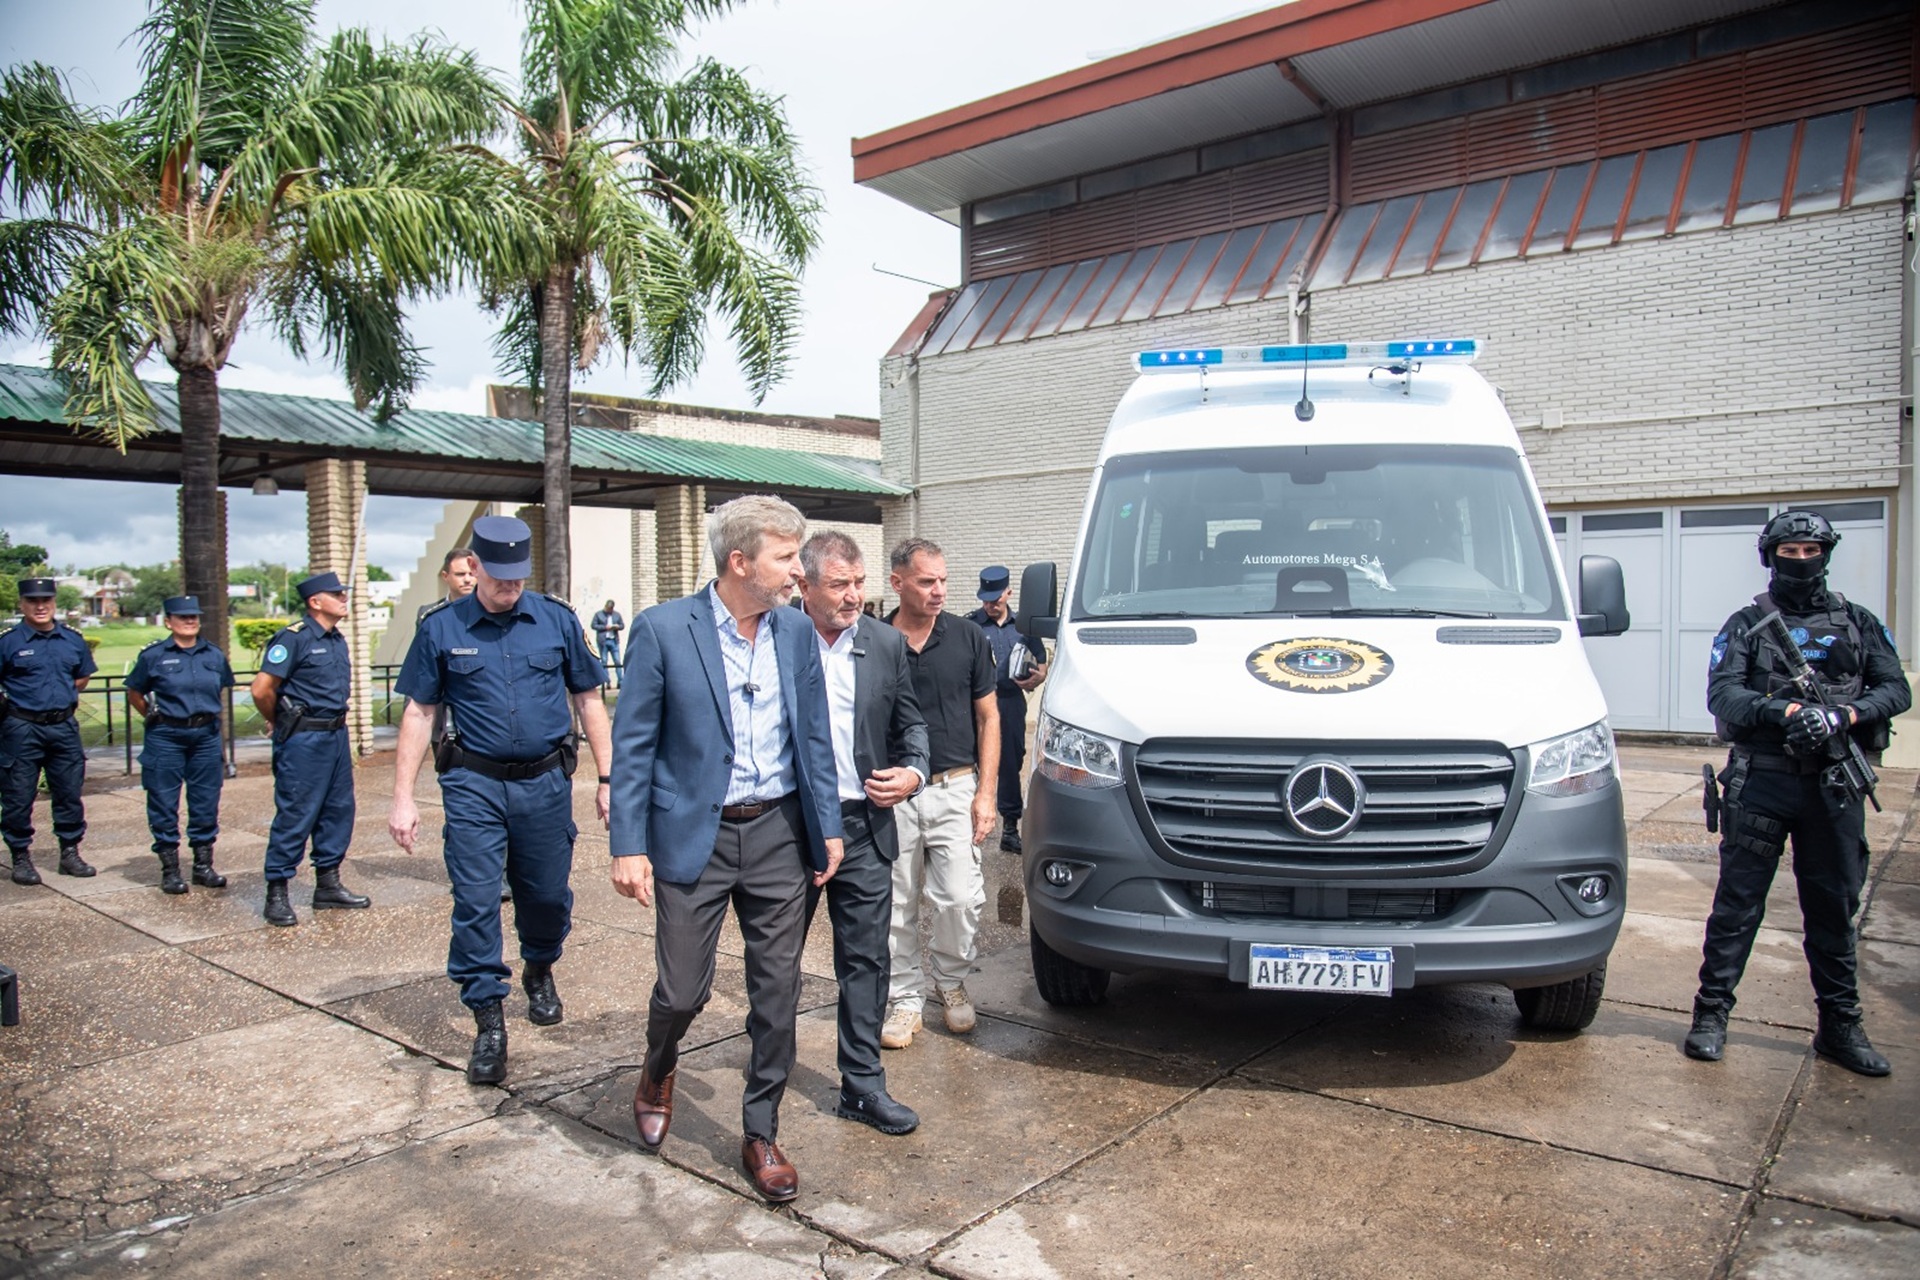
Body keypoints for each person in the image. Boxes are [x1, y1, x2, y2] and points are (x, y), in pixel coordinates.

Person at [609, 494, 844, 1204]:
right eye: (786, 557)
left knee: (778, 993)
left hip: (778, 832)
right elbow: (633, 746)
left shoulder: (796, 632)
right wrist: (628, 845)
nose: (799, 571)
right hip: (694, 836)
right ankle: (658, 1067)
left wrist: (828, 824)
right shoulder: (661, 630)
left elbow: (814, 736)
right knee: (683, 990)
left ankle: (760, 1130)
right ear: (740, 562)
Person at [390, 517, 613, 1085]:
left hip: (544, 783)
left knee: (546, 896)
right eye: (499, 578)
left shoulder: (556, 619)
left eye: (519, 577)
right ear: (474, 567)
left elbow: (588, 699)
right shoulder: (441, 627)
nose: (510, 587)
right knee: (475, 899)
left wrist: (609, 779)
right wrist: (402, 798)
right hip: (474, 784)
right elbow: (418, 711)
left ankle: (540, 966)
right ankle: (488, 1017)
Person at [1688, 510, 1910, 1076]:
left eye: (1812, 550)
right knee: (1737, 906)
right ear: (1771, 556)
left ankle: (1840, 1026)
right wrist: (1784, 711)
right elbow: (1723, 695)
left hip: (1833, 786)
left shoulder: (1857, 622)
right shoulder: (1746, 624)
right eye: (1790, 551)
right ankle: (1711, 1015)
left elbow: (1895, 689)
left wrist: (1843, 715)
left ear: (1827, 554)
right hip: (1762, 782)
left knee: (1833, 910)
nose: (1802, 560)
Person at [794, 530, 928, 1135]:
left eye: (859, 583)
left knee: (867, 961)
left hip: (865, 825)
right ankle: (768, 1061)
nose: (853, 596)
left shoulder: (884, 642)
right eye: (839, 585)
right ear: (804, 584)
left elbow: (911, 725)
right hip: (791, 827)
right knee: (777, 958)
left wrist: (913, 772)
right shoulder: (776, 635)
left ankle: (863, 1085)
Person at [881, 538, 998, 1050]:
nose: (939, 590)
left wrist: (986, 793)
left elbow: (988, 717)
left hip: (955, 786)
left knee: (960, 899)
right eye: (927, 581)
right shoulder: (874, 639)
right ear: (897, 583)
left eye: (943, 580)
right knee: (895, 903)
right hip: (891, 792)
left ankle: (950, 981)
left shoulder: (968, 636)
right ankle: (905, 998)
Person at [250, 571, 369, 926]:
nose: (344, 599)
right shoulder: (294, 638)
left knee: (338, 809)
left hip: (335, 735)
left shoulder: (337, 639)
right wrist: (277, 719)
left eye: (343, 594)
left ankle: (328, 885)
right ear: (315, 601)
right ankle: (277, 891)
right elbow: (261, 689)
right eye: (336, 594)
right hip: (304, 739)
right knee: (296, 812)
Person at [125, 596, 235, 894]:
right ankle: (171, 870)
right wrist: (153, 716)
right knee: (163, 801)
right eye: (182, 617)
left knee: (205, 801)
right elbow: (135, 693)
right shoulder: (154, 656)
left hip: (205, 735)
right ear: (168, 622)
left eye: (194, 616)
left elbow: (221, 688)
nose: (190, 621)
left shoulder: (213, 655)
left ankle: (203, 866)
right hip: (167, 735)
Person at [1, 577, 97, 884]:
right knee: (18, 795)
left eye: (46, 600)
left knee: (69, 792)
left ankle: (69, 853)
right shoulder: (8, 642)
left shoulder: (72, 639)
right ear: (22, 604)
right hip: (22, 727)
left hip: (63, 727)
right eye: (33, 601)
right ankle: (20, 857)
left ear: (55, 603)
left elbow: (81, 677)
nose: (40, 606)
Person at [965, 565, 1047, 854]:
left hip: (1010, 702)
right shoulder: (971, 625)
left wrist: (1038, 676)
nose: (989, 605)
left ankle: (1010, 830)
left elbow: (1041, 661)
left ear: (1008, 593)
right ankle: (968, 825)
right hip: (976, 704)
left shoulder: (1023, 626)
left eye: (995, 600)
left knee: (1011, 763)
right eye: (985, 600)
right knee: (972, 761)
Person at [591, 599, 625, 687]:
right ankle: (607, 682)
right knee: (604, 661)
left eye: (610, 609)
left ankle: (620, 681)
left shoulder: (617, 615)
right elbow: (593, 625)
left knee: (617, 661)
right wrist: (605, 627)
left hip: (614, 640)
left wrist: (617, 627)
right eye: (607, 608)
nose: (608, 610)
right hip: (603, 641)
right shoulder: (598, 614)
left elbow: (622, 625)